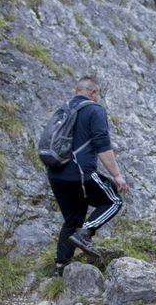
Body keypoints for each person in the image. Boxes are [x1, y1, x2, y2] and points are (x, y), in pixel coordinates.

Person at [47, 75, 129, 277]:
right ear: (93, 92)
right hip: (80, 174)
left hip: (56, 174)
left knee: (72, 220)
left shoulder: (64, 109)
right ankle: (85, 233)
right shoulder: (94, 109)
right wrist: (117, 176)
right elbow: (102, 145)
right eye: (98, 93)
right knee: (114, 201)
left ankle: (60, 269)